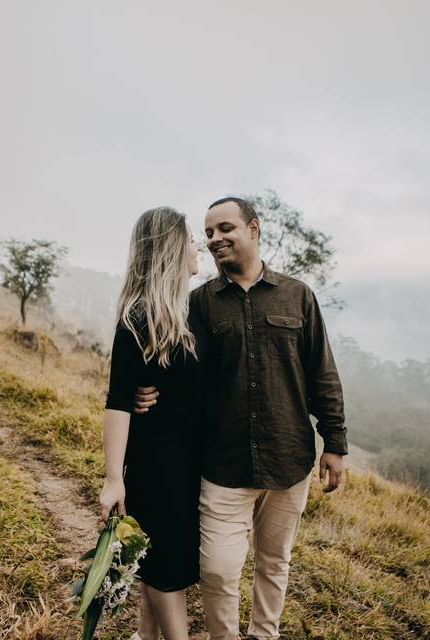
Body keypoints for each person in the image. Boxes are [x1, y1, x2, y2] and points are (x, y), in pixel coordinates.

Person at [134, 196, 347, 640]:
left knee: (274, 562)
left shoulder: (298, 296)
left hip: (289, 460)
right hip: (222, 464)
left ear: (254, 229)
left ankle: (264, 634)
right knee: (217, 571)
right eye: (208, 233)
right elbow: (167, 364)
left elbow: (321, 372)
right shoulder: (198, 304)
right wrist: (137, 390)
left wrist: (335, 442)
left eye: (224, 229)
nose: (214, 239)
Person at [100, 206, 206, 640]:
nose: (198, 245)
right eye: (191, 238)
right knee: (166, 571)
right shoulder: (137, 319)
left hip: (190, 463)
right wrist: (112, 479)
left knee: (158, 560)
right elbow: (118, 401)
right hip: (155, 467)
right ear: (171, 248)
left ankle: (145, 637)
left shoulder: (192, 312)